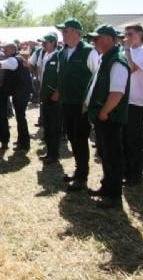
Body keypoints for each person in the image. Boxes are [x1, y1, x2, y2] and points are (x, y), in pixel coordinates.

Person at [85, 24, 130, 209]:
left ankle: (114, 195)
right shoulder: (107, 58)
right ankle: (107, 186)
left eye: (98, 38)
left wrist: (104, 112)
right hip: (103, 117)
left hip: (110, 117)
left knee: (113, 156)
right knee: (105, 154)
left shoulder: (117, 61)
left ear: (110, 39)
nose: (94, 41)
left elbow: (117, 93)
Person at [56, 18, 100, 192]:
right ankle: (78, 168)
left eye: (66, 31)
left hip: (82, 105)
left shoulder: (89, 52)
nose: (63, 34)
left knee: (81, 138)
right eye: (62, 31)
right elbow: (61, 75)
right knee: (72, 137)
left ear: (76, 32)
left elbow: (98, 77)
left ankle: (82, 176)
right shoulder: (62, 52)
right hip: (66, 102)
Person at [121, 23, 143, 185]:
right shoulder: (126, 51)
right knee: (123, 139)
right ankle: (126, 171)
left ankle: (135, 174)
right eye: (126, 34)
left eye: (130, 34)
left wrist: (126, 50)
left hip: (136, 101)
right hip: (123, 100)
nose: (127, 37)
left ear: (139, 34)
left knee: (134, 140)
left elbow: (131, 68)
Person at [2, 42, 33, 151]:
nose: (3, 51)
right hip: (21, 92)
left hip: (21, 92)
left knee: (21, 118)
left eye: (5, 49)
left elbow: (0, 64)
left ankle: (24, 143)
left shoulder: (13, 59)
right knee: (20, 117)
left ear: (12, 49)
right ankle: (22, 140)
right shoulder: (18, 58)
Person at [38, 32, 61, 164]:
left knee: (55, 126)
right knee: (47, 126)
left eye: (45, 42)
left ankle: (54, 153)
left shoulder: (58, 56)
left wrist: (57, 91)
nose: (43, 44)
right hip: (45, 96)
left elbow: (62, 76)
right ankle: (49, 152)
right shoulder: (45, 55)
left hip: (54, 98)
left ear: (53, 42)